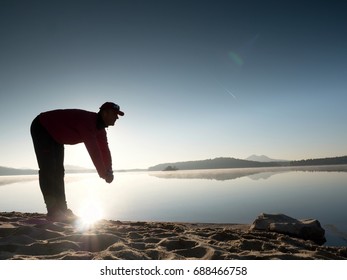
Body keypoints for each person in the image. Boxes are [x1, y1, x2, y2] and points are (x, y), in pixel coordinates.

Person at [30, 102, 124, 222]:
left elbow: (104, 150)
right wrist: (103, 173)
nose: (117, 117)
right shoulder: (88, 122)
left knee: (59, 171)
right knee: (48, 169)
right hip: (42, 126)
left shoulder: (100, 130)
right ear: (105, 113)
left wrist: (109, 170)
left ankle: (62, 208)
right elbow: (94, 150)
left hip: (57, 135)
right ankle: (53, 210)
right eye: (115, 114)